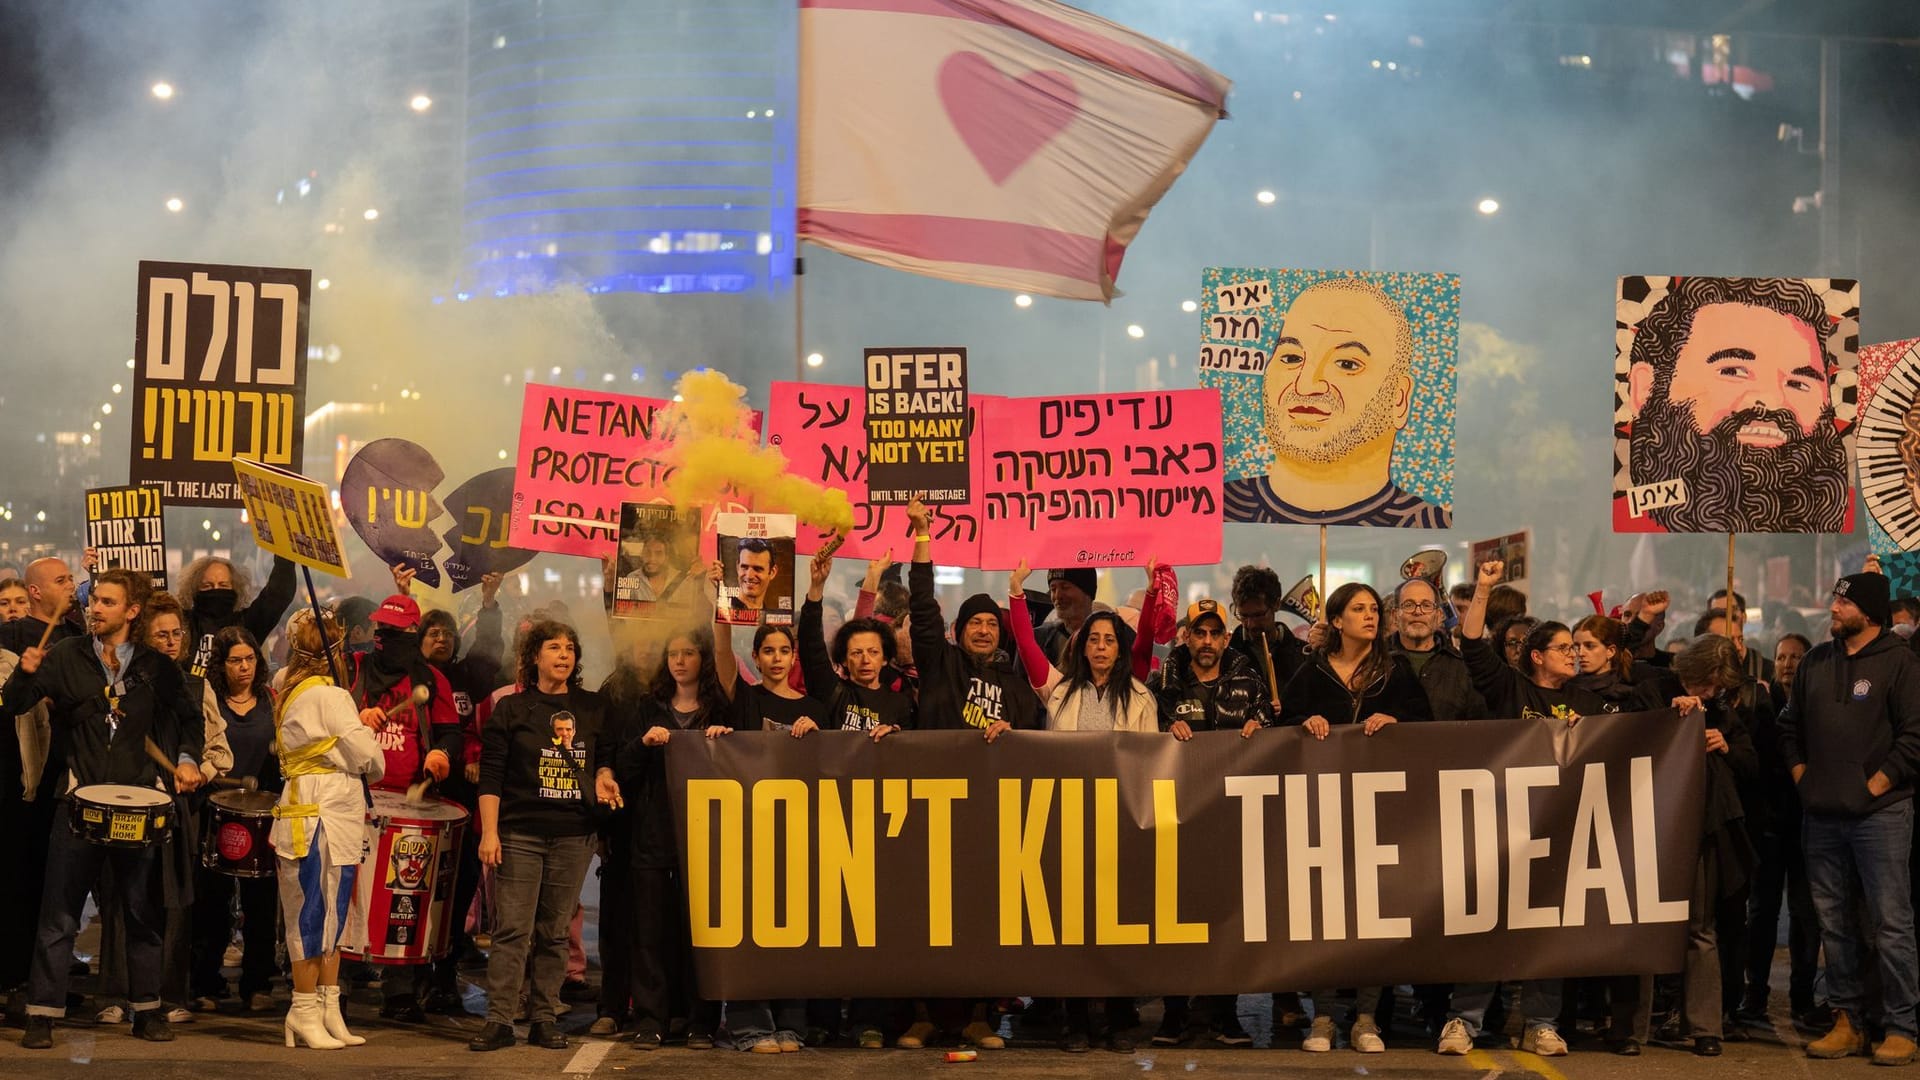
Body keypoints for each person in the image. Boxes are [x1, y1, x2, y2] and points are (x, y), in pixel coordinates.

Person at [3, 570, 204, 1049]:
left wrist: (186, 759)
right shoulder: (65, 656)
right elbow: (12, 704)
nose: (95, 608)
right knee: (60, 915)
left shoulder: (156, 666)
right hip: (77, 801)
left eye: (108, 602)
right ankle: (42, 1013)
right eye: (94, 601)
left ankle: (147, 1010)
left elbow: (189, 718)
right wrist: (26, 672)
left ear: (132, 611)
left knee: (141, 912)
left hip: (138, 802)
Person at [1440, 559, 1611, 1058]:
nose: (1574, 655)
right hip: (1501, 823)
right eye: (1564, 648)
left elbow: (1633, 734)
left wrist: (1683, 712)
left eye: (1577, 648)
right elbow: (1472, 644)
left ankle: (1540, 1023)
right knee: (1487, 924)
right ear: (1537, 656)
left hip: (1559, 830)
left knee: (1546, 930)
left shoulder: (1587, 700)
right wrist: (1487, 587)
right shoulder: (1509, 688)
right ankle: (1463, 1020)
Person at [1281, 582, 1432, 1054]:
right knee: (1326, 916)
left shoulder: (1397, 673)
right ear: (1338, 620)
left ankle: (1366, 1018)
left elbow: (1431, 732)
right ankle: (1323, 1017)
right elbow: (1279, 728)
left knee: (1374, 914)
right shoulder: (1311, 673)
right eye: (1359, 609)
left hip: (1381, 815)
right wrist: (1302, 726)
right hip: (1323, 812)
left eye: (1374, 609)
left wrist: (1397, 724)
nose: (1371, 616)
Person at [1008, 565, 1153, 1054]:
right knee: (1068, 928)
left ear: (1119, 648)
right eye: (1094, 639)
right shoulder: (1059, 691)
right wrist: (1013, 591)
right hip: (1066, 822)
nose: (1101, 647)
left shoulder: (1140, 697)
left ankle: (1110, 1023)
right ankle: (1072, 1023)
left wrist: (1153, 589)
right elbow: (1027, 647)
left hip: (1117, 823)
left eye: (1109, 640)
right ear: (1081, 646)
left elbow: (1151, 761)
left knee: (1112, 927)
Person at [1778, 570, 1920, 1065]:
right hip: (1821, 817)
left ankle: (1902, 1025)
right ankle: (1847, 1020)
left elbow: (1914, 738)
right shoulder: (1817, 661)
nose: (1833, 608)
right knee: (1833, 923)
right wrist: (1805, 780)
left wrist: (1873, 786)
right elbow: (1788, 729)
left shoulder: (1901, 663)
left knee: (1890, 922)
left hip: (1881, 815)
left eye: (1842, 602)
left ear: (1869, 611)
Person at [469, 621, 620, 1052]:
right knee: (512, 930)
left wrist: (606, 776)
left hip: (574, 835)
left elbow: (604, 758)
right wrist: (491, 833)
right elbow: (492, 777)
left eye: (570, 648)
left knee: (554, 932)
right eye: (554, 647)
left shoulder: (592, 708)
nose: (564, 655)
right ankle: (499, 1019)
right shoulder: (512, 710)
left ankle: (544, 1017)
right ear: (534, 657)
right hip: (519, 835)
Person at [1607, 635, 1758, 1057]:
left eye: (1717, 688)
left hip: (1702, 825)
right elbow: (1621, 743)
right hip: (1647, 825)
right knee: (1640, 925)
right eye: (1706, 684)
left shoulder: (1723, 708)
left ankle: (1706, 1027)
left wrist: (1725, 745)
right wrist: (1666, 720)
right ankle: (1629, 1029)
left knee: (1700, 929)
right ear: (1689, 670)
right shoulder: (1651, 691)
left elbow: (1751, 765)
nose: (1710, 693)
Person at [95, 592, 231, 1026]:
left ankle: (170, 995)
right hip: (129, 804)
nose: (172, 642)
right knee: (122, 898)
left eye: (177, 634)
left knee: (173, 901)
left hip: (177, 808)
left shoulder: (197, 686)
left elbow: (219, 751)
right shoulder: (120, 683)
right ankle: (115, 994)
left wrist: (198, 771)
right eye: (162, 635)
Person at [1620, 275, 1848, 532]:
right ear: (1645, 389)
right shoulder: (1633, 512)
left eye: (1798, 383)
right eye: (1733, 371)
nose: (1772, 401)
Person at [1222, 276, 1449, 527]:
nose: (1305, 385)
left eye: (1347, 364)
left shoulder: (1432, 524)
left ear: (1400, 398)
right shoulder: (1217, 507)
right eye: (1291, 358)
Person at [270, 608, 385, 1050]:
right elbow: (372, 761)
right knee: (312, 912)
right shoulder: (332, 697)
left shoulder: (288, 684)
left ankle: (327, 1004)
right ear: (337, 651)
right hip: (318, 810)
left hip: (330, 810)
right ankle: (302, 1009)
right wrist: (361, 739)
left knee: (334, 910)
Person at [345, 592, 462, 1021]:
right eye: (382, 631)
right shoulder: (352, 671)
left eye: (396, 633)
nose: (385, 638)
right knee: (350, 896)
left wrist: (441, 756)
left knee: (402, 896)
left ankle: (400, 993)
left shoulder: (431, 681)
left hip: (411, 808)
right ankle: (335, 984)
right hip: (353, 800)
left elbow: (450, 733)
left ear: (414, 635)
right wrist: (353, 719)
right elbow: (323, 719)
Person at [615, 628, 733, 1051]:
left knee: (699, 932)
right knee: (650, 932)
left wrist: (725, 742)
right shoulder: (650, 707)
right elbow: (623, 767)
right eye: (672, 653)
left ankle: (701, 1020)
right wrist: (644, 744)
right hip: (654, 834)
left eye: (688, 653)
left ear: (704, 658)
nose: (679, 660)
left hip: (708, 836)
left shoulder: (722, 706)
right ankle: (651, 1019)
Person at [406, 566, 506, 1016]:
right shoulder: (406, 677)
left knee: (460, 887)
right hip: (417, 799)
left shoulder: (468, 677)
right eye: (432, 631)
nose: (441, 637)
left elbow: (489, 651)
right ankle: (410, 981)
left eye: (448, 632)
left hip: (462, 803)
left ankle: (445, 976)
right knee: (413, 888)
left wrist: (488, 604)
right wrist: (402, 594)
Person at [0, 557, 80, 1001]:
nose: (73, 586)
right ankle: (13, 978)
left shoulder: (76, 636)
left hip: (67, 780)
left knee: (57, 884)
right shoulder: (11, 637)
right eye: (62, 580)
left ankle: (46, 978)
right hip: (22, 783)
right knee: (19, 878)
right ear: (36, 592)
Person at [189, 627, 280, 1015]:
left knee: (262, 903)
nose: (244, 668)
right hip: (216, 812)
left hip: (263, 816)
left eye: (249, 660)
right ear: (220, 665)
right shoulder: (210, 702)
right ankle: (205, 982)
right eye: (234, 661)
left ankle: (257, 983)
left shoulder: (272, 702)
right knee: (212, 902)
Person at [904, 496, 1040, 742]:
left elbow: (1032, 746)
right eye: (975, 623)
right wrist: (922, 534)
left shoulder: (1019, 690)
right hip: (938, 776)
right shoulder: (940, 664)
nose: (984, 631)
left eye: (992, 624)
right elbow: (923, 605)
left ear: (1000, 633)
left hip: (993, 779)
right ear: (959, 630)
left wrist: (1014, 736)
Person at [1743, 631, 1820, 1028]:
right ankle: (1754, 993)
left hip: (1809, 825)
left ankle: (1803, 998)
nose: (1788, 664)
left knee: (1807, 914)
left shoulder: (1817, 704)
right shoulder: (1760, 704)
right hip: (1770, 825)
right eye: (1781, 657)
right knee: (1762, 912)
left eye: (1796, 657)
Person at [798, 550, 916, 739]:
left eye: (873, 652)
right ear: (844, 659)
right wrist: (816, 586)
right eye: (856, 653)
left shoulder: (900, 703)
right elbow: (809, 643)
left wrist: (895, 737)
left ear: (885, 658)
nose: (865, 660)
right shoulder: (831, 690)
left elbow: (912, 751)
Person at [177, 553, 297, 680]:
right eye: (207, 586)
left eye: (223, 585)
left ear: (235, 588)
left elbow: (278, 595)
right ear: (194, 589)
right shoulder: (183, 623)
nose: (216, 591)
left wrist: (284, 555)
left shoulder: (246, 624)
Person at [1387, 577, 1484, 723]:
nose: (1418, 612)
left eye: (1426, 605)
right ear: (1395, 616)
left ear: (1439, 616)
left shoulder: (1463, 667)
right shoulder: (1373, 661)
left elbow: (1478, 726)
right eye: (1408, 605)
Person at [1225, 565, 1309, 704]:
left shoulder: (1303, 655)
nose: (1250, 625)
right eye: (1243, 615)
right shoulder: (1228, 656)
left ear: (1276, 605)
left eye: (1258, 615)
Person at [725, 537, 779, 615]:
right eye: (744, 567)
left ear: (772, 572)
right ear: (737, 567)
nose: (749, 576)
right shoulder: (723, 606)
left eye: (757, 569)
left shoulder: (771, 618)